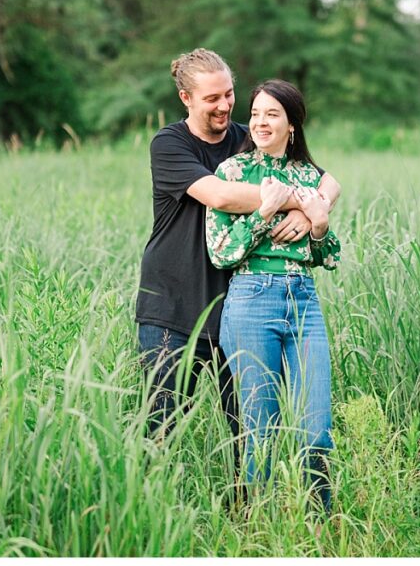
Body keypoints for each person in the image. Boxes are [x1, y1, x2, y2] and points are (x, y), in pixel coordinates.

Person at [135, 50, 341, 463]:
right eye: (212, 98)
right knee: (161, 429)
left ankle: (247, 518)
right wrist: (296, 205)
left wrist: (313, 206)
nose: (225, 105)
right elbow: (221, 195)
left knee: (246, 430)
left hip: (237, 306)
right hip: (173, 306)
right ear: (186, 98)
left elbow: (326, 178)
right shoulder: (170, 143)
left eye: (229, 94)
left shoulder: (247, 136)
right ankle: (152, 513)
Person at [206, 79, 340, 513]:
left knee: (316, 427)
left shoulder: (310, 178)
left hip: (303, 300)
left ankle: (321, 525)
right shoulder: (233, 172)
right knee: (260, 427)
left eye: (272, 114)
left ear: (292, 125)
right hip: (251, 299)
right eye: (257, 113)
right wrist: (265, 213)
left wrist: (317, 225)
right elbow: (222, 252)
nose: (261, 122)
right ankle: (256, 527)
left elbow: (327, 255)